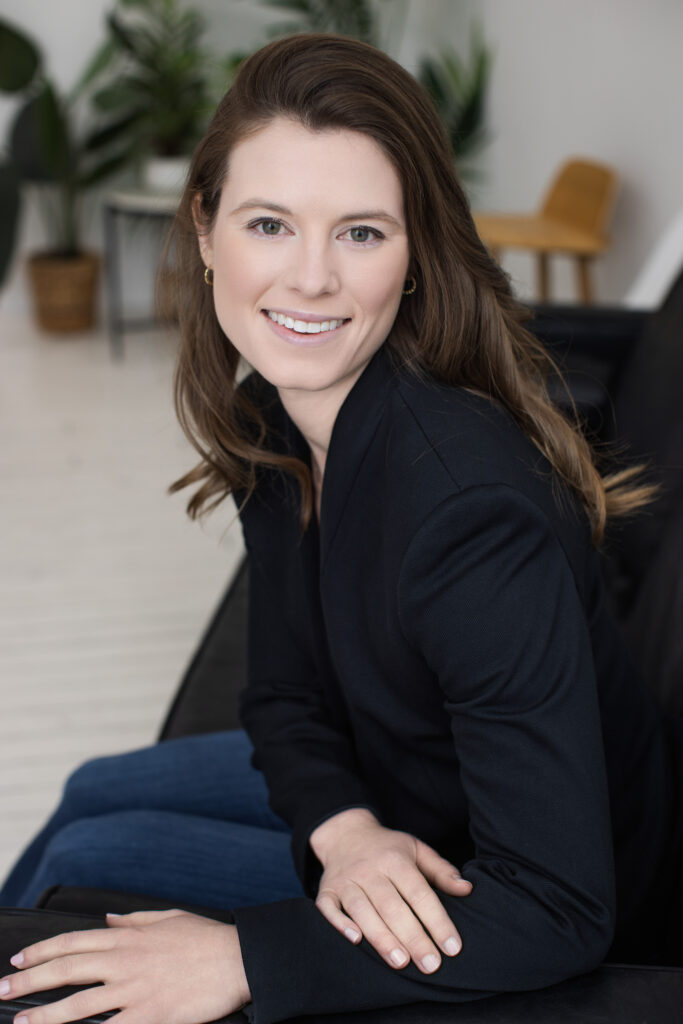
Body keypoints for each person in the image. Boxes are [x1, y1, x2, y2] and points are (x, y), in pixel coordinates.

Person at [0, 31, 681, 1024]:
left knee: (86, 856)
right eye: (270, 223)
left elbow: (560, 902)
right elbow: (281, 694)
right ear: (204, 228)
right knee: (94, 786)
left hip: (514, 893)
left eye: (360, 232)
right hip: (392, 788)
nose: (311, 278)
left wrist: (245, 958)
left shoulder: (468, 516)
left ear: (412, 255)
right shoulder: (280, 418)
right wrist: (342, 828)